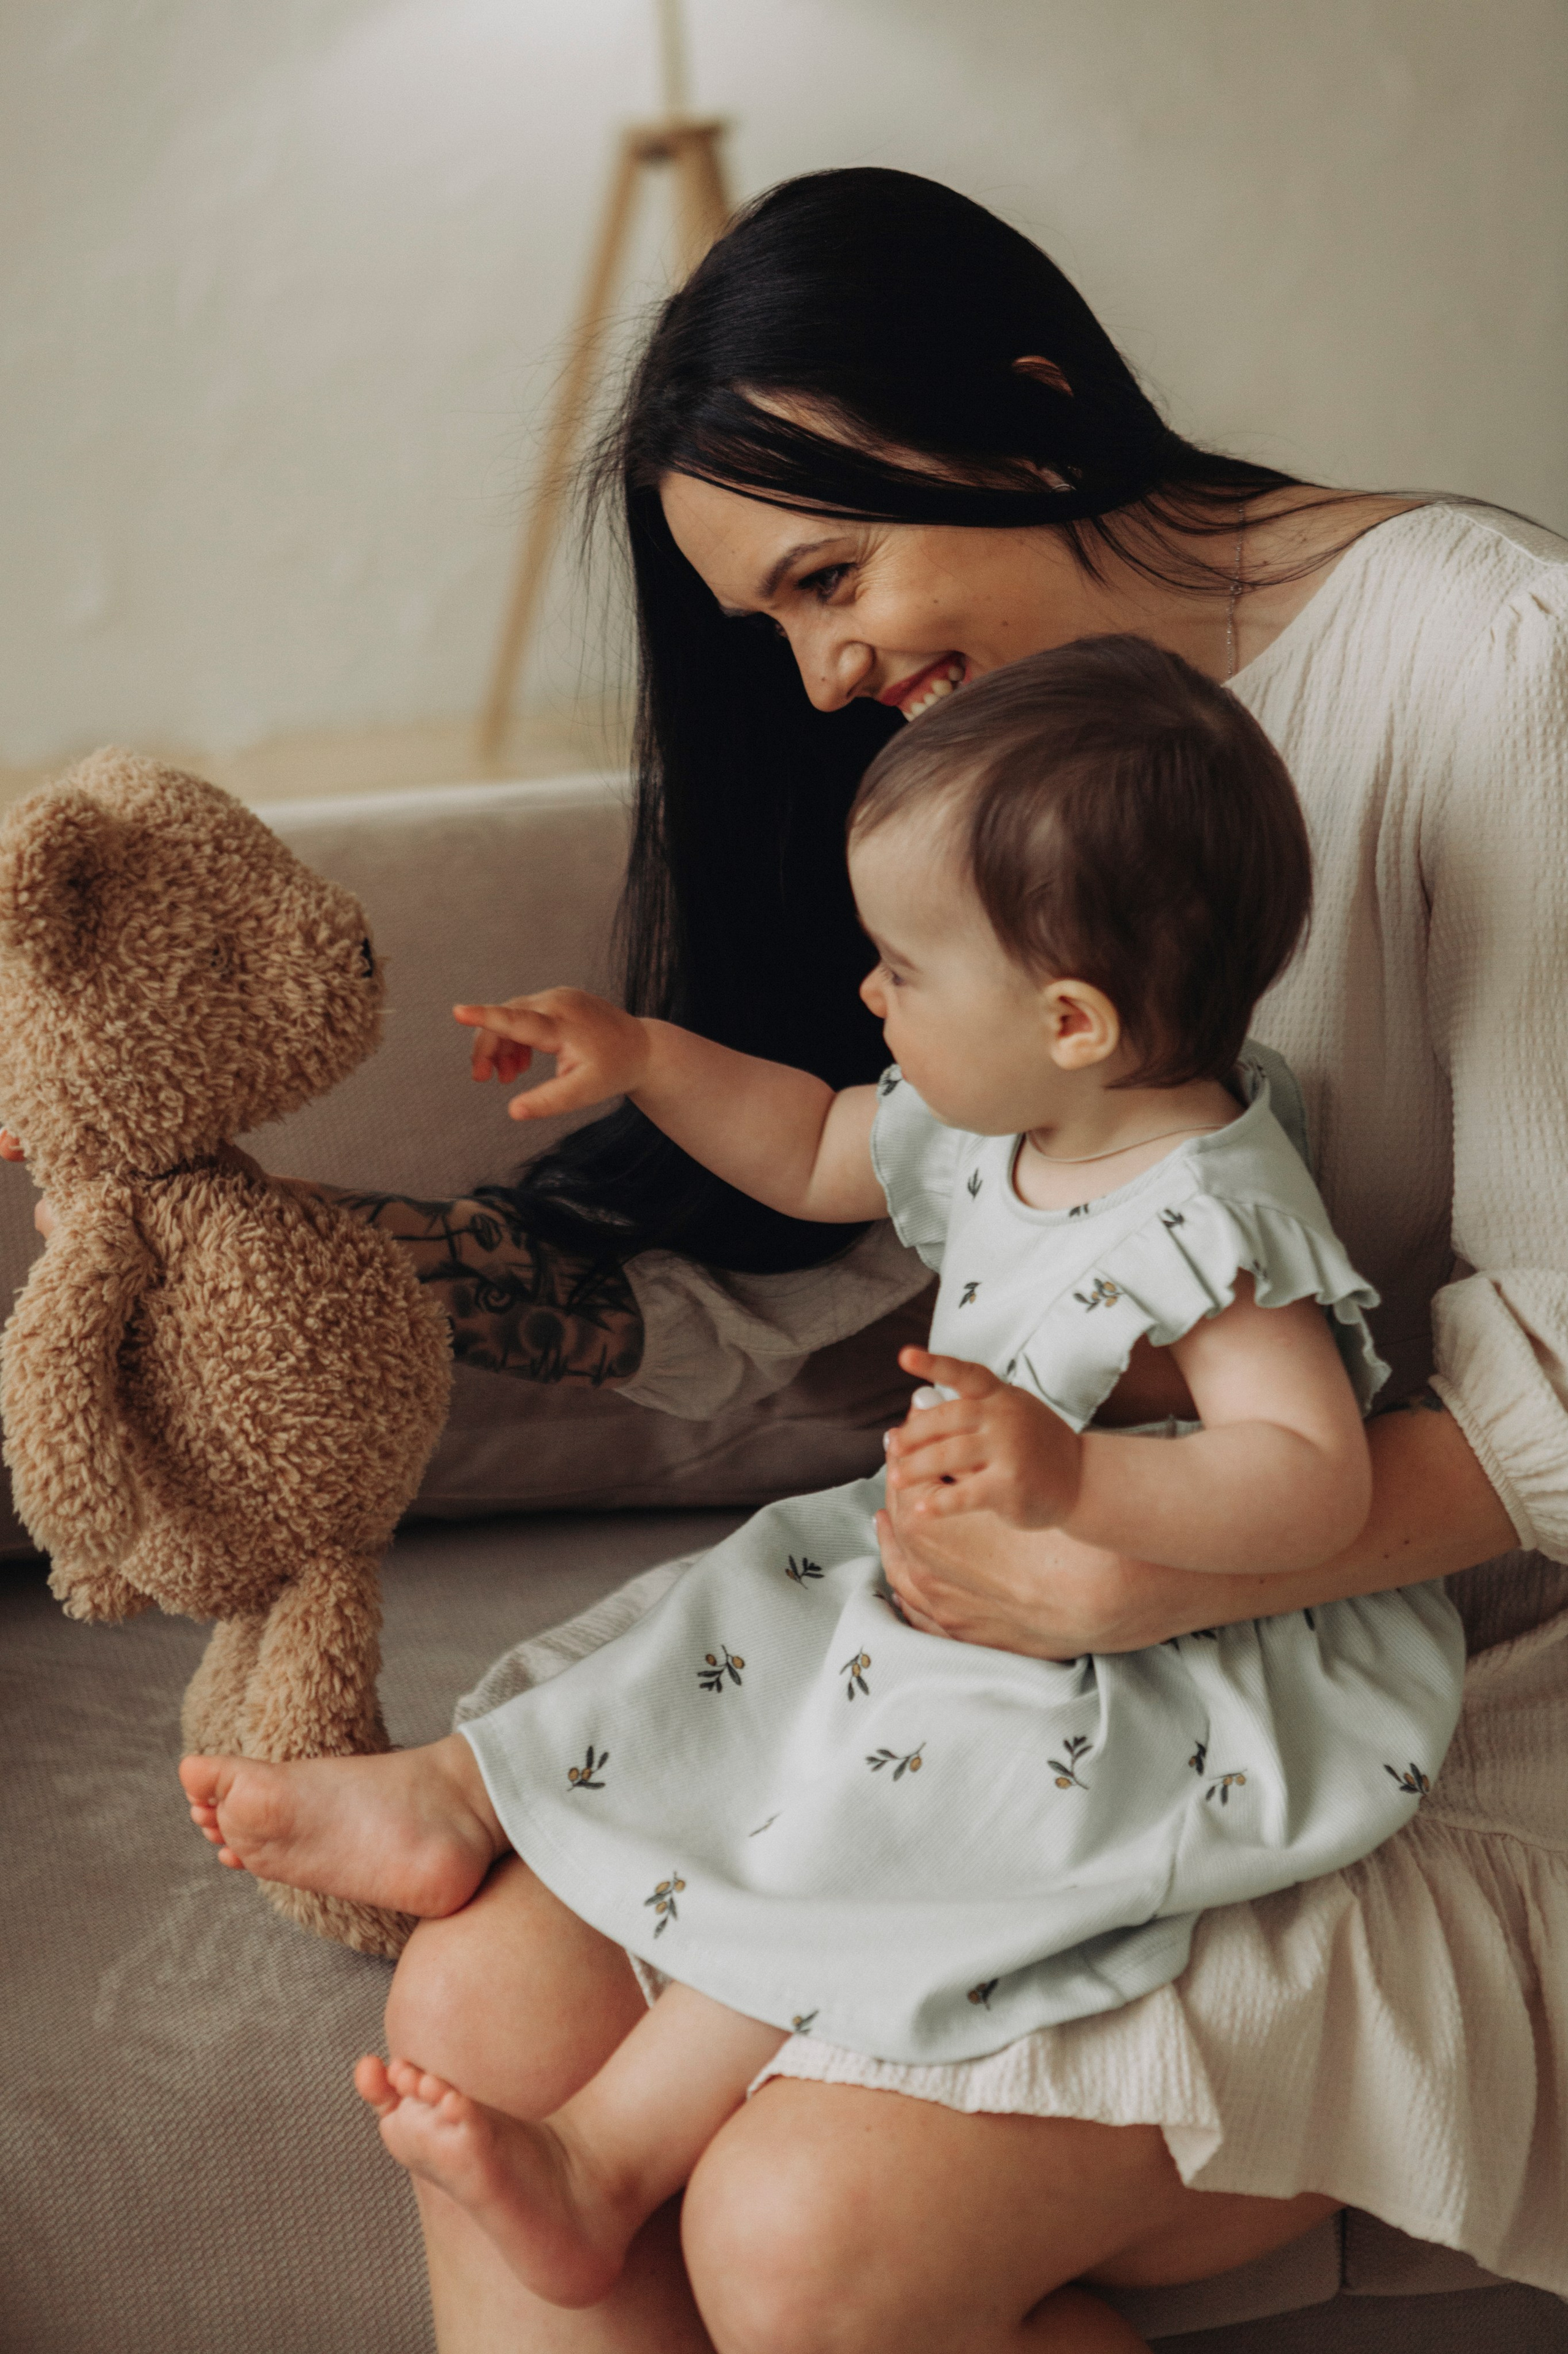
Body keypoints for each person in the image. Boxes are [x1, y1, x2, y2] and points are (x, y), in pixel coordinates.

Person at [19, 161, 1566, 2352]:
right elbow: (855, 1152)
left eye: (832, 573)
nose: (831, 667)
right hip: (1042, 1616)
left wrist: (1130, 1551)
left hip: (1411, 1674)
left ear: (1028, 407)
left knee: (796, 2238)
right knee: (472, 2011)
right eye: (777, 624)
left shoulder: (1498, 669)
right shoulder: (1003, 808)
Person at [178, 639, 1467, 2337]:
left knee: (875, 1801)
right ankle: (468, 1789)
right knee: (743, 1595)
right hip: (978, 1569)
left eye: (905, 970)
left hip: (1160, 1655)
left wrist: (1079, 1476)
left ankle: (609, 2164)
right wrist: (644, 1056)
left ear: (1070, 1019)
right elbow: (804, 1145)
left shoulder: (1215, 1214)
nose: (874, 1001)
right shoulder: (992, 1116)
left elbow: (1310, 1485)